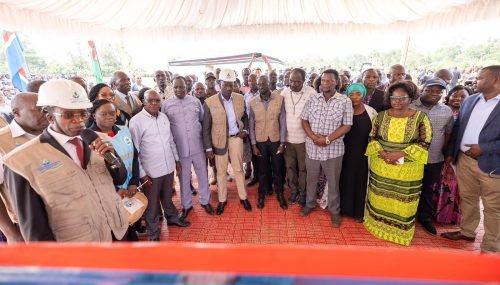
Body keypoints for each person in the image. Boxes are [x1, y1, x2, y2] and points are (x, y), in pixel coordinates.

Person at [3, 79, 129, 242]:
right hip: (77, 253)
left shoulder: (99, 139)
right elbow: (36, 231)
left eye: (83, 114)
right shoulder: (20, 162)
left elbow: (120, 178)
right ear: (49, 117)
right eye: (68, 115)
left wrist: (112, 160)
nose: (78, 121)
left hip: (118, 235)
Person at [364, 80, 432, 246]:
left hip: (408, 168)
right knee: (380, 196)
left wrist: (399, 154)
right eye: (394, 97)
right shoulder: (381, 116)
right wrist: (384, 154)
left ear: (411, 98)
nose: (397, 101)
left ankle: (400, 233)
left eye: (402, 98)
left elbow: (425, 141)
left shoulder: (420, 118)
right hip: (382, 164)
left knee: (403, 200)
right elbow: (372, 137)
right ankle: (377, 225)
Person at [442, 65, 500, 254]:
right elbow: (459, 127)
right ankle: (467, 231)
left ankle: (491, 248)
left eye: (481, 78)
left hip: (492, 165)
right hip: (465, 160)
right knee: (468, 198)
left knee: (493, 208)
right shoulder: (471, 100)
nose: (476, 80)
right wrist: (451, 151)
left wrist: (483, 149)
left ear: (496, 80)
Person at [129, 90, 190, 241]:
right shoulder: (136, 121)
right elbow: (135, 151)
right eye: (151, 101)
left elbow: (170, 141)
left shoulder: (163, 117)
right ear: (144, 102)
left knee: (168, 197)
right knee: (152, 204)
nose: (154, 103)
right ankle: (153, 232)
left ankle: (172, 218)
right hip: (151, 170)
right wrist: (142, 174)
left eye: (157, 100)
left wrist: (176, 160)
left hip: (168, 165)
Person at [300, 69, 353, 228]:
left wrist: (328, 139)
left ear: (337, 82)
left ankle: (334, 210)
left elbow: (347, 125)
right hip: (313, 148)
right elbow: (304, 121)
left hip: (334, 150)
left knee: (333, 182)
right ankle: (310, 204)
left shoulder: (345, 101)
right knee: (311, 179)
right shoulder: (313, 98)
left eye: (329, 81)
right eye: (323, 81)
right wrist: (314, 137)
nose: (325, 83)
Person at [88, 99, 142, 241]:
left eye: (112, 113)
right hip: (111, 193)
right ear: (94, 115)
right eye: (104, 114)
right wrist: (116, 190)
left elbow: (134, 156)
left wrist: (133, 182)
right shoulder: (91, 139)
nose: (109, 117)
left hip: (129, 188)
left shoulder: (123, 130)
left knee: (130, 223)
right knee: (117, 230)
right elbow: (94, 171)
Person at [162, 77, 214, 220]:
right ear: (173, 87)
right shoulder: (166, 105)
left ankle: (205, 201)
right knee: (183, 178)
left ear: (187, 86)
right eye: (176, 87)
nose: (179, 89)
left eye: (182, 87)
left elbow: (202, 121)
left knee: (203, 175)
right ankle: (187, 205)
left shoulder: (195, 101)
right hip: (180, 150)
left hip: (198, 147)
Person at [0, 92, 49, 244]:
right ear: (16, 112)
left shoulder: (53, 133)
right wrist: (11, 233)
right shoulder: (2, 142)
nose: (44, 114)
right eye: (38, 109)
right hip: (28, 227)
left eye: (46, 109)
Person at [202, 69, 252, 215]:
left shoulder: (239, 98)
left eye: (231, 85)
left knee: (238, 170)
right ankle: (222, 200)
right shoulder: (209, 102)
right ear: (219, 84)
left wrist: (245, 131)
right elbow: (206, 128)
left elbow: (245, 118)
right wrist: (208, 148)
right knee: (221, 172)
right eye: (225, 85)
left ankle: (243, 197)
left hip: (236, 138)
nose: (229, 88)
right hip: (218, 141)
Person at [410, 78, 454, 235]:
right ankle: (406, 216)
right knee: (408, 187)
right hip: (410, 157)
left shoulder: (446, 111)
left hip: (434, 157)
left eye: (438, 92)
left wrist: (445, 151)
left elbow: (448, 133)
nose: (434, 94)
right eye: (430, 90)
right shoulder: (409, 106)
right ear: (423, 89)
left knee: (427, 189)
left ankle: (424, 217)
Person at [339, 84, 377, 223]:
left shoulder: (371, 112)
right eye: (351, 94)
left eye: (358, 94)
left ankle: (359, 212)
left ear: (364, 95)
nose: (354, 97)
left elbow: (376, 133)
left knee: (361, 181)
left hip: (363, 153)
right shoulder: (342, 110)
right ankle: (344, 209)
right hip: (344, 152)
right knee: (345, 179)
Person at [249, 75, 287, 209]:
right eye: (259, 85)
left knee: (278, 169)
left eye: (263, 84)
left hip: (276, 140)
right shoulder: (252, 102)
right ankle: (262, 193)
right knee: (262, 170)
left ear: (269, 84)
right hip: (260, 141)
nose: (261, 87)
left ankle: (280, 193)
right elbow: (251, 125)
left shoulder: (279, 99)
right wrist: (253, 144)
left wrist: (283, 143)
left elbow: (283, 121)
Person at [282, 68, 316, 207]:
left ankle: (303, 193)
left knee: (303, 168)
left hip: (304, 140)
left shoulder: (311, 93)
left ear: (304, 81)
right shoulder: (284, 93)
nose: (294, 84)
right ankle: (294, 190)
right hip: (288, 139)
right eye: (291, 81)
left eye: (297, 81)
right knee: (290, 167)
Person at [244, 74, 260, 187]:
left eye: (253, 80)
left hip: (261, 129)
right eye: (249, 81)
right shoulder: (246, 96)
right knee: (254, 155)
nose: (251, 82)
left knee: (263, 155)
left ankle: (264, 176)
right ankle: (256, 176)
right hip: (251, 130)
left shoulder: (262, 93)